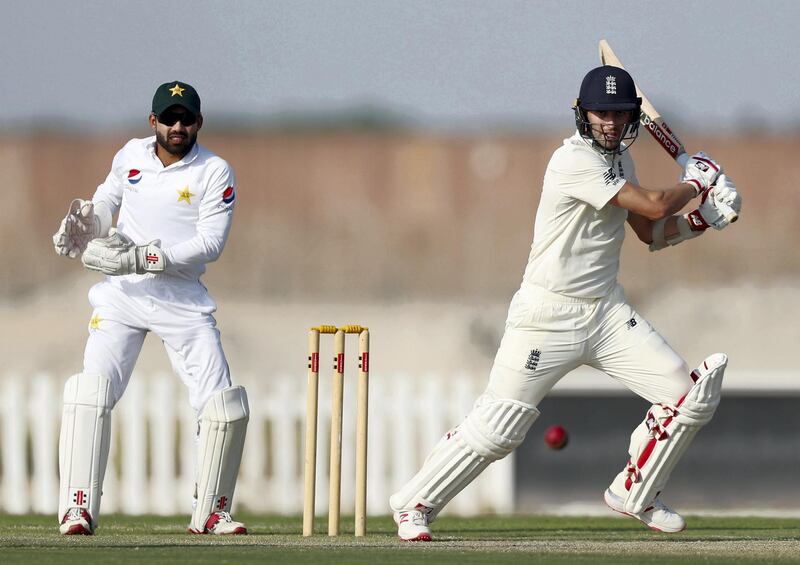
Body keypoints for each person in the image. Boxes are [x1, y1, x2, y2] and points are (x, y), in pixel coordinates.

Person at [388, 65, 742, 540]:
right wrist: (699, 181)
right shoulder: (572, 161)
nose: (611, 123)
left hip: (606, 312)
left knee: (686, 397)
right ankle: (413, 505)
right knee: (500, 427)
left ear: (633, 117)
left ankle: (634, 492)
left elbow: (652, 232)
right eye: (602, 113)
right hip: (546, 314)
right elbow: (658, 203)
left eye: (619, 113)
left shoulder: (623, 164)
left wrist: (703, 219)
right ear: (582, 114)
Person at [52, 81, 249, 536]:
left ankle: (212, 512)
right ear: (152, 121)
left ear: (199, 122)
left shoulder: (215, 171)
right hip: (123, 294)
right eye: (168, 118)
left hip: (181, 297)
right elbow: (106, 202)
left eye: (185, 118)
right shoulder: (130, 155)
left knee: (221, 405)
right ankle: (77, 507)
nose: (177, 126)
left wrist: (145, 256)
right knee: (91, 392)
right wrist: (86, 221)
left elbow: (211, 243)